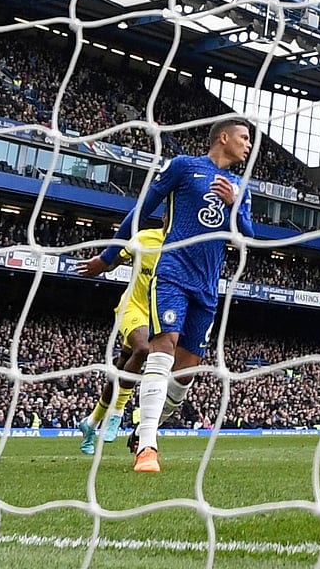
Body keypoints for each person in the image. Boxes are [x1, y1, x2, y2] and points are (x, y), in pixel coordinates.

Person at [78, 118, 253, 473]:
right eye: (244, 137)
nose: (248, 145)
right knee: (161, 350)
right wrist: (109, 257)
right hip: (172, 273)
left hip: (207, 285)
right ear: (224, 137)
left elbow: (248, 238)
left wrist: (234, 205)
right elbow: (141, 210)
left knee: (185, 372)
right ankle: (147, 449)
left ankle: (147, 425)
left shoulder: (240, 187)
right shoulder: (184, 167)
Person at [74, 212, 167, 455]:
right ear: (167, 218)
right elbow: (116, 258)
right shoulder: (145, 238)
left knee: (122, 366)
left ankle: (92, 422)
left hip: (154, 315)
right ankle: (116, 414)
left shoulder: (182, 248)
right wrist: (101, 264)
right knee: (143, 350)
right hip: (132, 307)